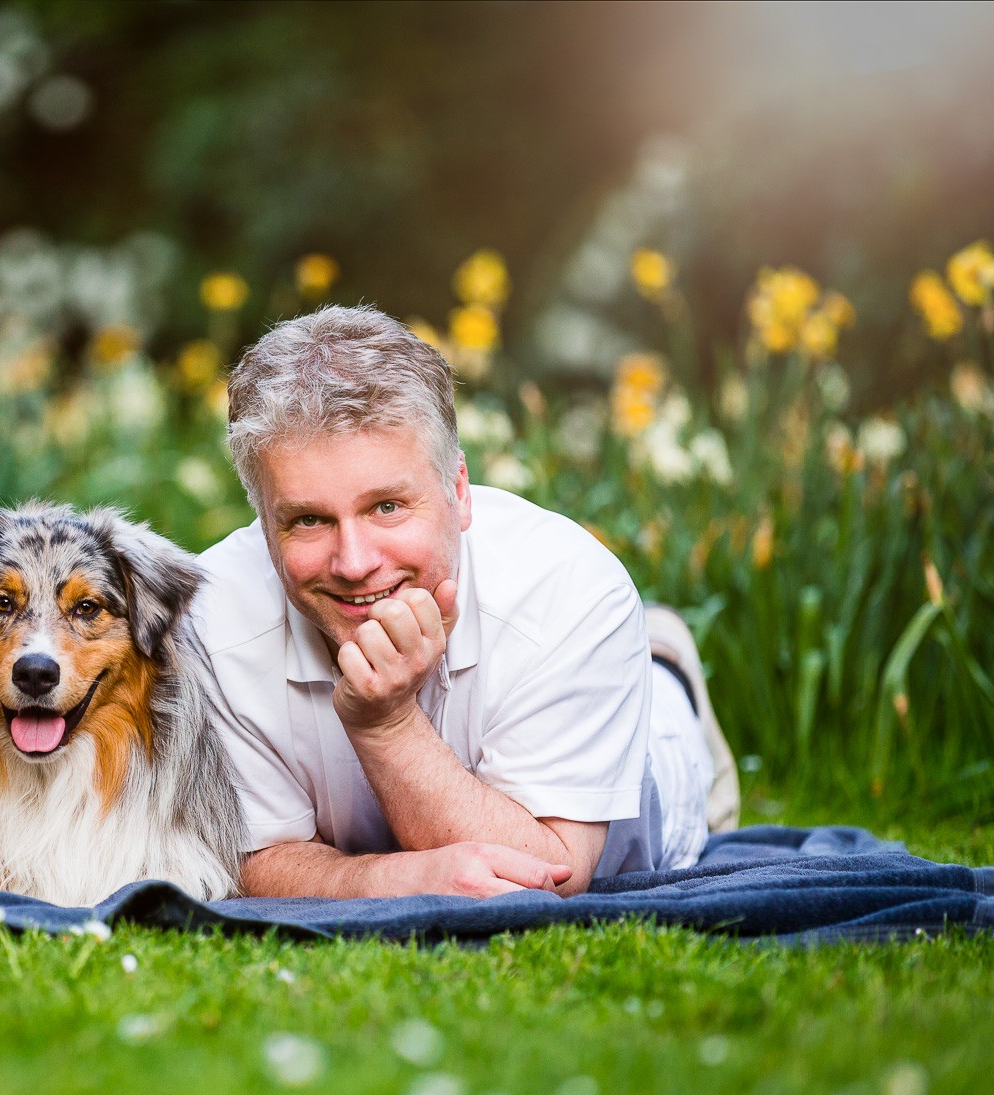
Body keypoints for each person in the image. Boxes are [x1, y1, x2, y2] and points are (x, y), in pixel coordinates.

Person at [191, 305, 739, 900]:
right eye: (307, 519)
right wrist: (393, 878)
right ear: (263, 524)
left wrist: (387, 723)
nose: (353, 563)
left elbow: (550, 874)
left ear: (459, 491)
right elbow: (248, 859)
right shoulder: (209, 619)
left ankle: (667, 665)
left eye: (387, 508)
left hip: (649, 780)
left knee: (667, 734)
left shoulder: (573, 591)